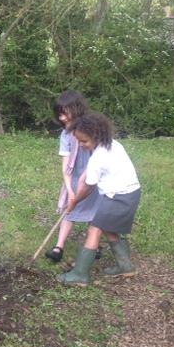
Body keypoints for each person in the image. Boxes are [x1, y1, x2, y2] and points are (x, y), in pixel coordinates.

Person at [57, 113, 141, 286]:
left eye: (84, 141)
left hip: (118, 197)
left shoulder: (98, 158)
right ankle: (126, 266)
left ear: (96, 136)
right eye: (79, 141)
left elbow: (88, 187)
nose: (81, 145)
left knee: (94, 230)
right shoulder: (113, 145)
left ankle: (80, 275)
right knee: (109, 229)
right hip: (130, 193)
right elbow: (87, 179)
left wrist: (74, 201)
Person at [45, 90, 100, 263]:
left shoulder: (93, 128)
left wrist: (86, 180)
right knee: (70, 210)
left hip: (94, 178)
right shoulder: (65, 135)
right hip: (75, 178)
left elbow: (97, 157)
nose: (62, 118)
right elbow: (66, 164)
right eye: (59, 114)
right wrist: (70, 189)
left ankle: (95, 246)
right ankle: (58, 247)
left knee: (96, 211)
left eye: (64, 112)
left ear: (76, 108)